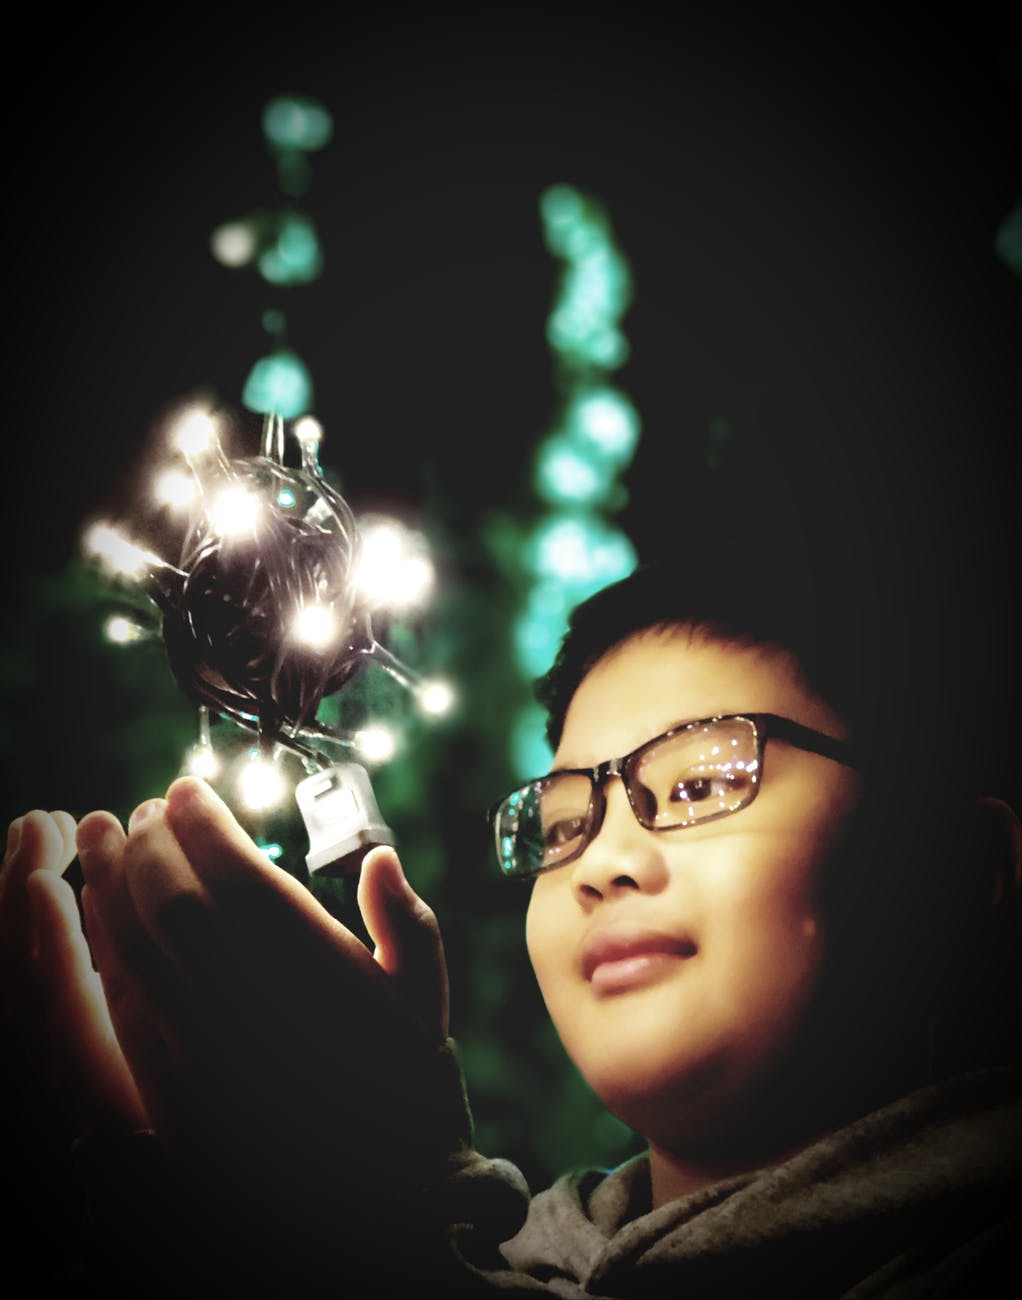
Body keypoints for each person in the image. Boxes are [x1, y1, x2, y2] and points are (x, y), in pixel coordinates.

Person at [2, 551, 1021, 1297]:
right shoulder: (511, 1265)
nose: (604, 862)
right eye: (565, 816)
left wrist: (375, 1222)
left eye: (704, 780)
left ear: (957, 869)